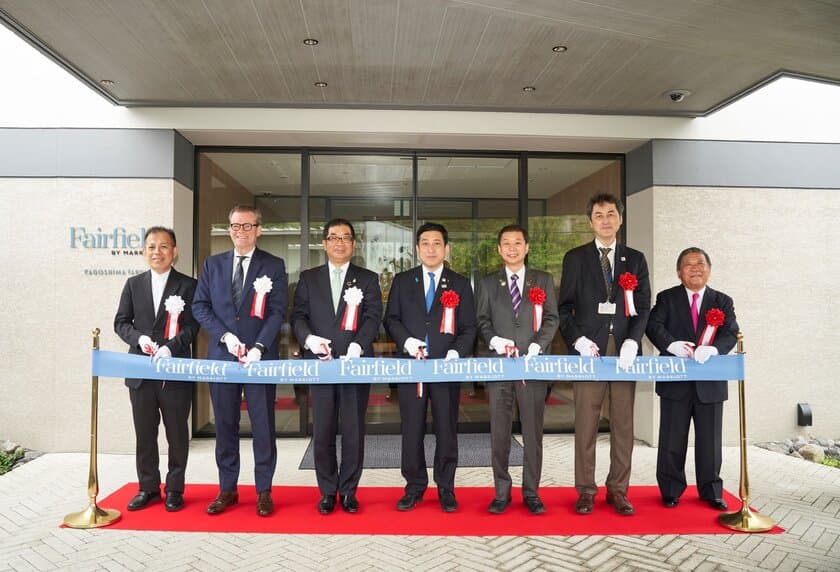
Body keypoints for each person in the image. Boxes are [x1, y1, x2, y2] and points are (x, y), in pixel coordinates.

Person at [557, 193, 651, 516]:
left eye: (612, 213)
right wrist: (578, 341)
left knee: (623, 424)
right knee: (586, 423)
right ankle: (585, 490)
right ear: (591, 221)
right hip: (590, 353)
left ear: (620, 219)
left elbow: (643, 307)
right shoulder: (575, 258)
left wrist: (632, 342)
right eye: (599, 215)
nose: (606, 220)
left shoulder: (635, 259)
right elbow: (564, 309)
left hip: (623, 351)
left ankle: (618, 489)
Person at [192, 205, 288, 517]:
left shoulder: (273, 265)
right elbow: (200, 306)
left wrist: (259, 345)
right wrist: (225, 337)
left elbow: (276, 311)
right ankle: (227, 489)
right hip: (223, 359)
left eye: (247, 226)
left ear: (259, 229)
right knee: (226, 425)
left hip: (260, 360)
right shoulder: (213, 265)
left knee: (263, 426)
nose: (240, 231)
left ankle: (263, 490)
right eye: (235, 226)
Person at [384, 222, 477, 513]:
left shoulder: (460, 283)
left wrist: (455, 353)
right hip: (412, 367)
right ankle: (413, 487)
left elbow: (469, 327)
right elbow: (391, 319)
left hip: (445, 369)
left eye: (437, 243)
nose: (431, 248)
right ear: (417, 248)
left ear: (446, 248)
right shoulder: (402, 280)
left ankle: (446, 487)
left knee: (446, 428)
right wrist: (407, 342)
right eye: (425, 243)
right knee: (411, 428)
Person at [292, 218, 383, 515]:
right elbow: (298, 317)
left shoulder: (368, 278)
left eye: (346, 237)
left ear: (353, 244)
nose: (340, 242)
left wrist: (359, 344)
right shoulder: (308, 278)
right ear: (324, 243)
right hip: (320, 365)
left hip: (354, 364)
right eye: (334, 237)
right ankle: (327, 491)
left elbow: (372, 316)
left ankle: (349, 491)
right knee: (323, 429)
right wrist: (309, 340)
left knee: (354, 430)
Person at [646, 247, 738, 511]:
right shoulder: (667, 298)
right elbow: (654, 326)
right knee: (672, 439)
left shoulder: (722, 301)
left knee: (710, 442)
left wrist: (715, 349)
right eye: (688, 264)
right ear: (679, 272)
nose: (695, 268)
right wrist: (671, 345)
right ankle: (671, 489)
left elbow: (731, 331)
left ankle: (711, 491)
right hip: (675, 383)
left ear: (709, 269)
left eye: (700, 263)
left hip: (710, 384)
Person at [475, 224, 559, 515]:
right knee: (499, 432)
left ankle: (532, 492)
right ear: (499, 249)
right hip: (499, 368)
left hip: (532, 368)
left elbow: (551, 318)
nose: (512, 248)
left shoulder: (543, 280)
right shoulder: (487, 283)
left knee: (533, 433)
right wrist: (494, 340)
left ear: (527, 247)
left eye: (517, 243)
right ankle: (501, 491)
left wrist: (538, 345)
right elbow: (482, 321)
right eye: (506, 243)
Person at [114, 226, 199, 512]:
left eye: (164, 246)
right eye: (151, 246)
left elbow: (193, 326)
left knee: (176, 434)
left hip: (175, 371)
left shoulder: (189, 285)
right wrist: (139, 338)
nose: (157, 252)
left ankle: (175, 489)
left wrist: (171, 347)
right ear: (144, 251)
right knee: (145, 434)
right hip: (141, 372)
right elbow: (121, 322)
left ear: (174, 252)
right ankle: (147, 487)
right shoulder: (133, 284)